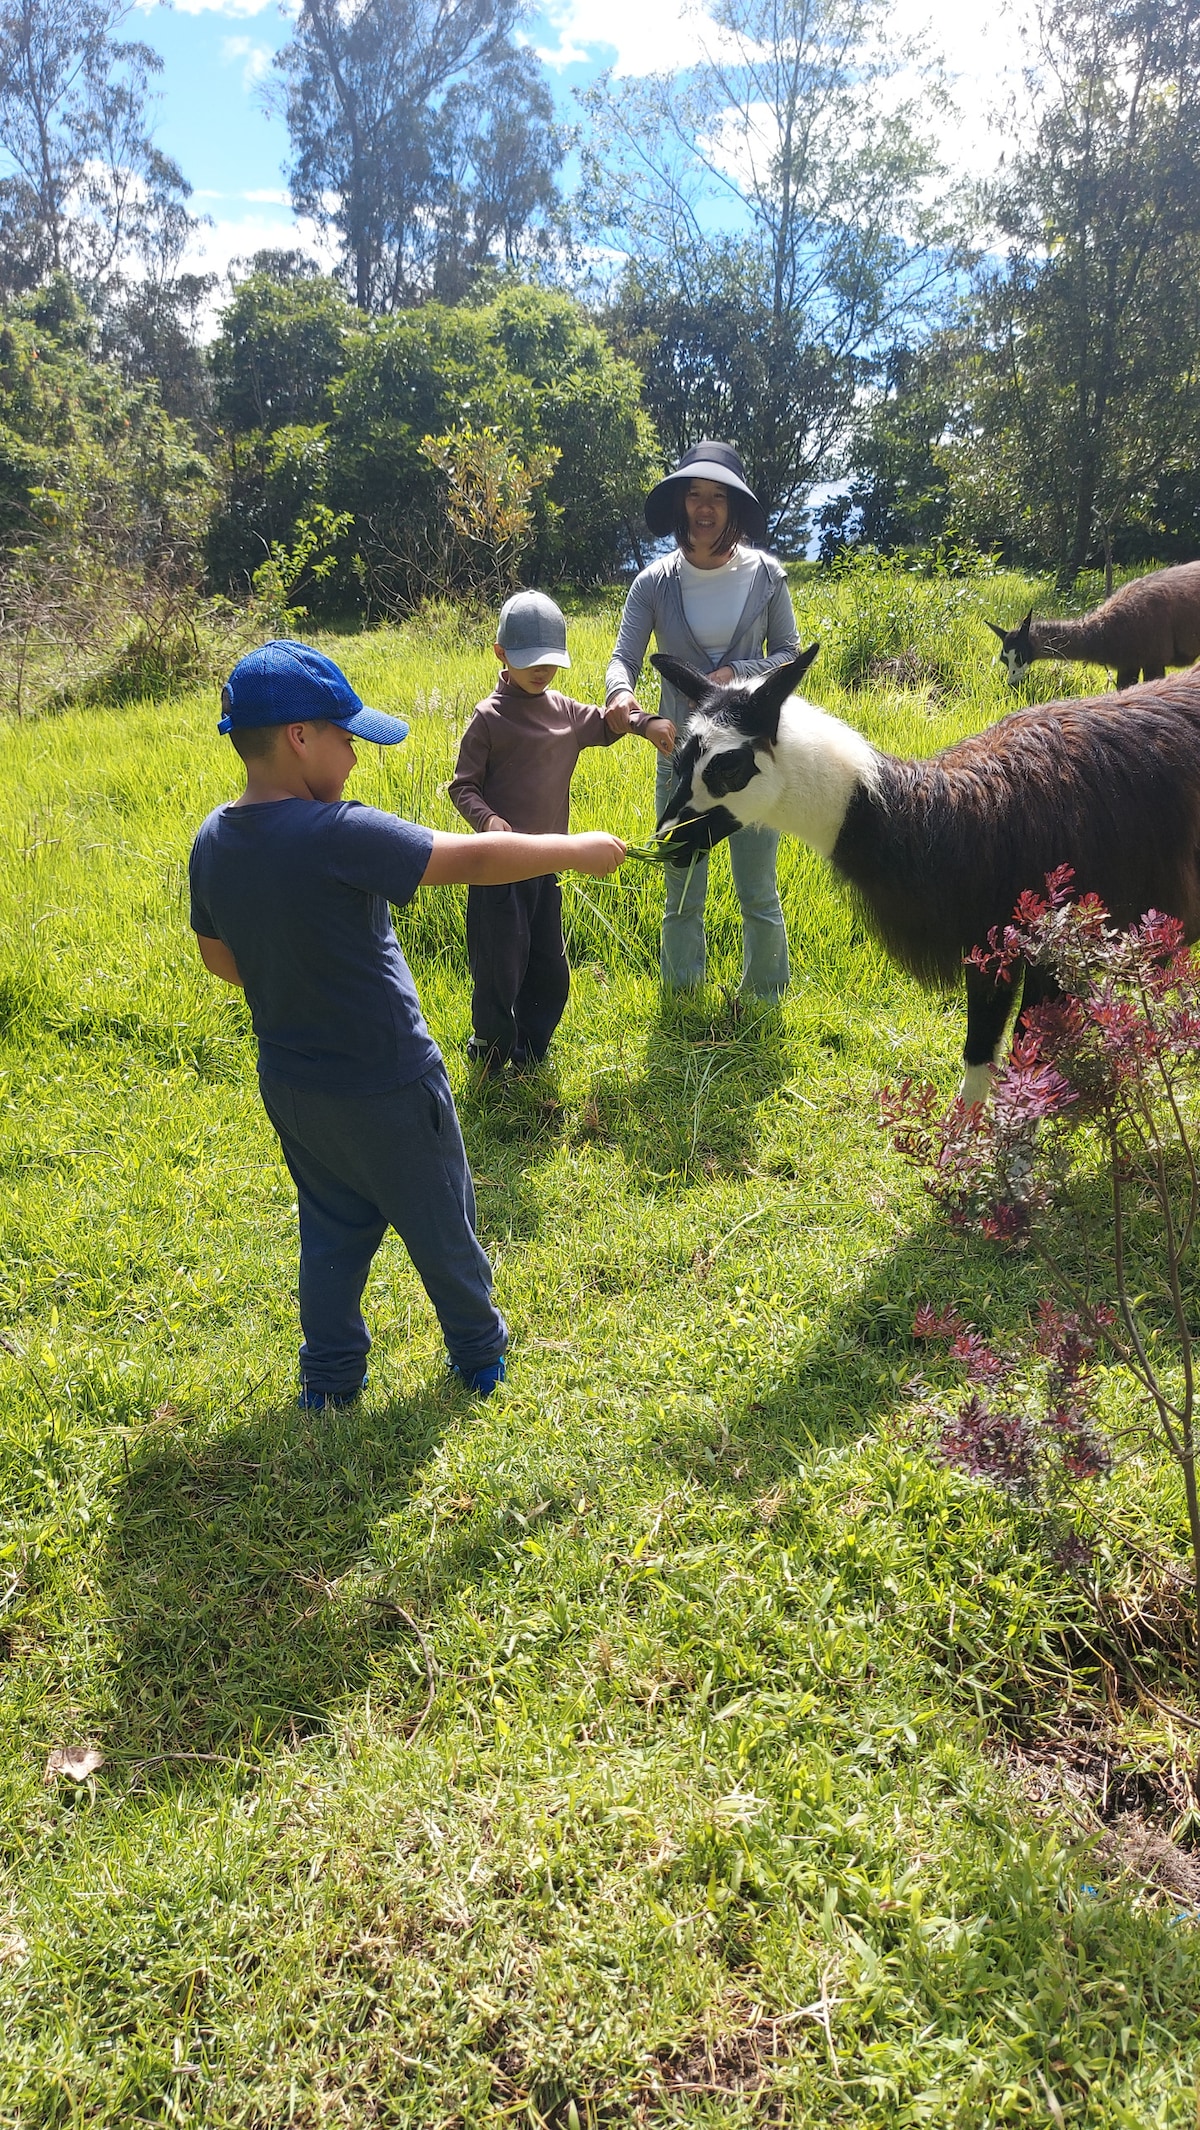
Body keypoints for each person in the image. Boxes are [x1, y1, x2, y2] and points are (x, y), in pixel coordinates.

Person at [189, 638, 625, 1409]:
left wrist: (297, 971)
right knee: (441, 1223)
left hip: (294, 1084)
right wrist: (577, 850)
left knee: (329, 1235)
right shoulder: (338, 830)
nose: (355, 755)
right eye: (344, 735)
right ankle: (480, 1356)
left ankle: (328, 1381)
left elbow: (220, 958)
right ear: (298, 737)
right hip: (390, 1081)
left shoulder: (213, 840)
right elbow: (476, 860)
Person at [605, 441, 802, 1000]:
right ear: (680, 503)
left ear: (735, 507)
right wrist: (622, 694)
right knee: (681, 891)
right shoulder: (654, 583)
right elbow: (625, 656)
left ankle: (765, 998)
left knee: (758, 891)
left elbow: (789, 653)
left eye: (719, 496)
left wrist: (738, 671)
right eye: (696, 494)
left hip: (753, 765)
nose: (706, 507)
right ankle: (683, 996)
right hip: (683, 761)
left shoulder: (766, 576)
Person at [448, 589, 672, 1073]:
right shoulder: (488, 719)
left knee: (548, 965)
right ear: (501, 655)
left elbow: (610, 721)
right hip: (498, 870)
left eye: (550, 661)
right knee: (498, 969)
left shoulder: (564, 712)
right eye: (529, 661)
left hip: (547, 866)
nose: (541, 672)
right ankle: (490, 1052)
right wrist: (488, 820)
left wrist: (646, 723)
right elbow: (462, 786)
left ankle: (532, 1050)